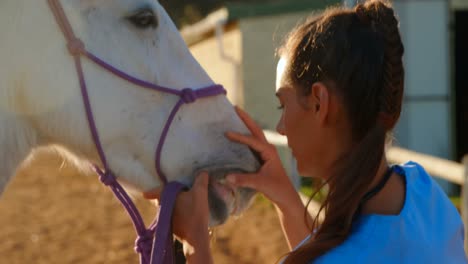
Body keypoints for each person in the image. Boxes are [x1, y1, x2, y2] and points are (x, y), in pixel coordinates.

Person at [145, 0, 467, 263]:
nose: (282, 128)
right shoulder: (424, 192)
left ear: (318, 103)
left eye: (282, 106)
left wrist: (196, 243)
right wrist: (287, 199)